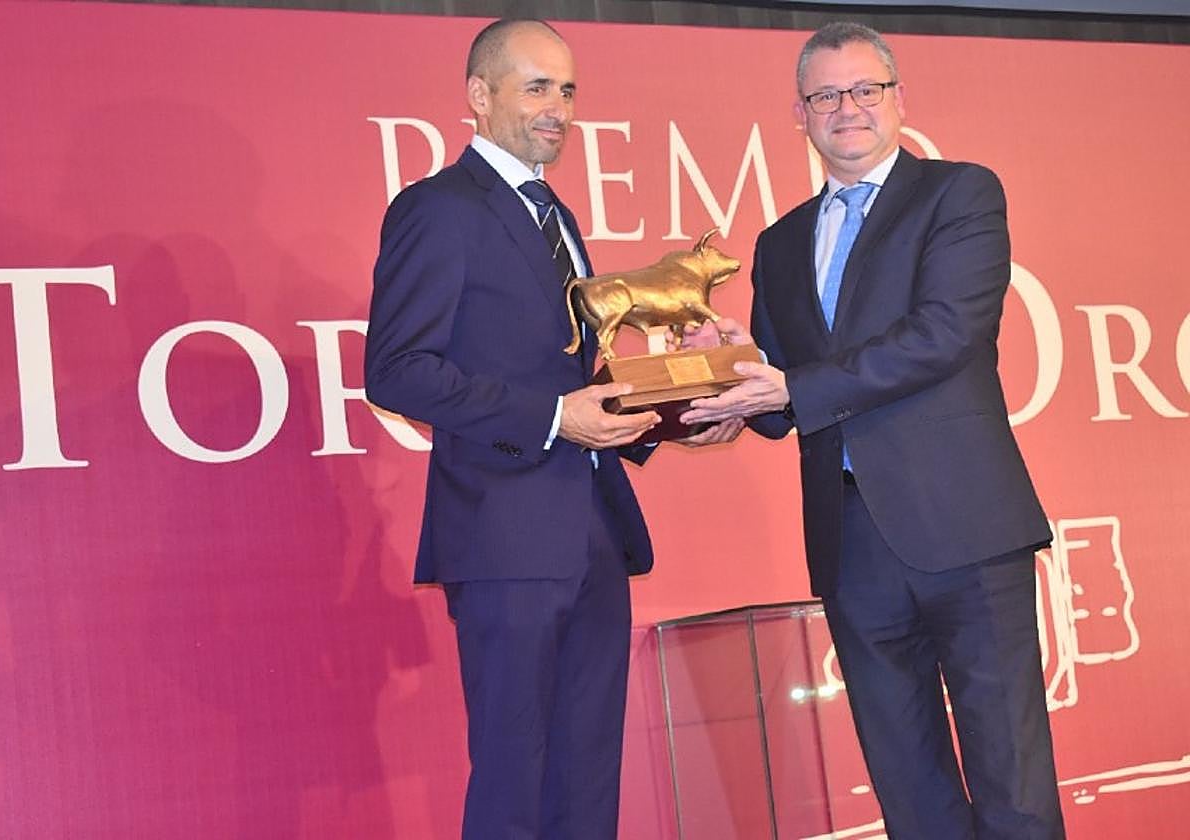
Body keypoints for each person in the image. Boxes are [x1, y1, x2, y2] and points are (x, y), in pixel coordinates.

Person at [680, 22, 1065, 839]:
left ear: (897, 99)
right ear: (800, 113)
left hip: (966, 527)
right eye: (825, 95)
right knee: (907, 785)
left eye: (865, 89)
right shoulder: (778, 244)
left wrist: (790, 384)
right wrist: (730, 377)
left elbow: (944, 334)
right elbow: (787, 397)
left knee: (1013, 779)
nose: (846, 108)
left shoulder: (959, 193)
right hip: (851, 540)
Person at [365, 18, 738, 840]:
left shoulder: (556, 213)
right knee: (513, 775)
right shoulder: (438, 210)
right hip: (504, 540)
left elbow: (578, 379)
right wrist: (550, 418)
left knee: (585, 775)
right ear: (478, 96)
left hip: (594, 536)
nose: (558, 108)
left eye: (567, 90)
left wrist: (672, 418)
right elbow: (395, 370)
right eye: (537, 87)